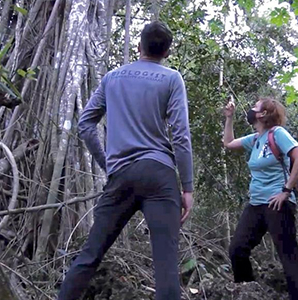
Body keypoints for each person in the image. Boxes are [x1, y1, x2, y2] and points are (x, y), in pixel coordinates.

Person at [58, 21, 194, 300]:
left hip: (121, 175)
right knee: (166, 265)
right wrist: (188, 187)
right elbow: (180, 136)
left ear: (138, 46)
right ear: (167, 52)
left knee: (90, 255)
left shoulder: (112, 78)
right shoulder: (171, 79)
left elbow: (85, 124)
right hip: (160, 174)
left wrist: (108, 164)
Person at [223, 97, 298, 300]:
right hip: (256, 204)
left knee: (288, 256)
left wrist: (286, 190)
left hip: (277, 202)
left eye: (255, 106)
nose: (251, 109)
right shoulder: (255, 139)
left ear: (263, 114)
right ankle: (246, 292)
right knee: (238, 248)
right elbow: (228, 143)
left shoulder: (277, 134)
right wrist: (230, 118)